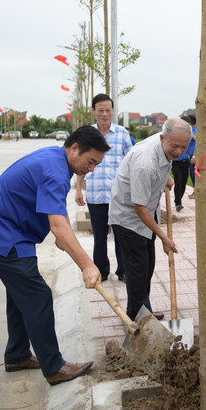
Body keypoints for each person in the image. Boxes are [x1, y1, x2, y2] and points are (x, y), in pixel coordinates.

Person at [0, 126, 109, 386]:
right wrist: (88, 265)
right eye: (90, 161)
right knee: (38, 297)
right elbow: (57, 225)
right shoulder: (55, 172)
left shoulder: (55, 159)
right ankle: (54, 367)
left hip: (8, 233)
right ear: (74, 148)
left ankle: (17, 355)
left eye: (96, 164)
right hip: (4, 238)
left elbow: (60, 217)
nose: (91, 169)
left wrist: (64, 235)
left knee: (20, 295)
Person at [108, 119, 192, 321]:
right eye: (175, 146)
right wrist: (164, 237)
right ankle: (137, 318)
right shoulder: (145, 163)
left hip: (145, 214)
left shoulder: (166, 143)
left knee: (147, 267)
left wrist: (167, 177)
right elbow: (140, 208)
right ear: (163, 138)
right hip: (128, 218)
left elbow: (166, 160)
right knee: (137, 270)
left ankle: (143, 310)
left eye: (184, 146)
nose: (179, 151)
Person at [75, 93, 133, 281]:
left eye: (108, 110)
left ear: (112, 111)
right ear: (94, 111)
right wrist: (78, 189)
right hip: (95, 194)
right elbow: (80, 164)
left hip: (119, 195)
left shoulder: (122, 134)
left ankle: (123, 271)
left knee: (121, 235)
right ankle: (102, 270)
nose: (105, 114)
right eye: (100, 110)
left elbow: (131, 161)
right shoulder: (87, 135)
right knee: (99, 236)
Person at [171, 115, 193, 211]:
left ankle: (179, 200)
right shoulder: (175, 133)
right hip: (175, 162)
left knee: (183, 182)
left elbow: (194, 146)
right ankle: (178, 203)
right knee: (178, 180)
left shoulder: (190, 135)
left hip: (186, 161)